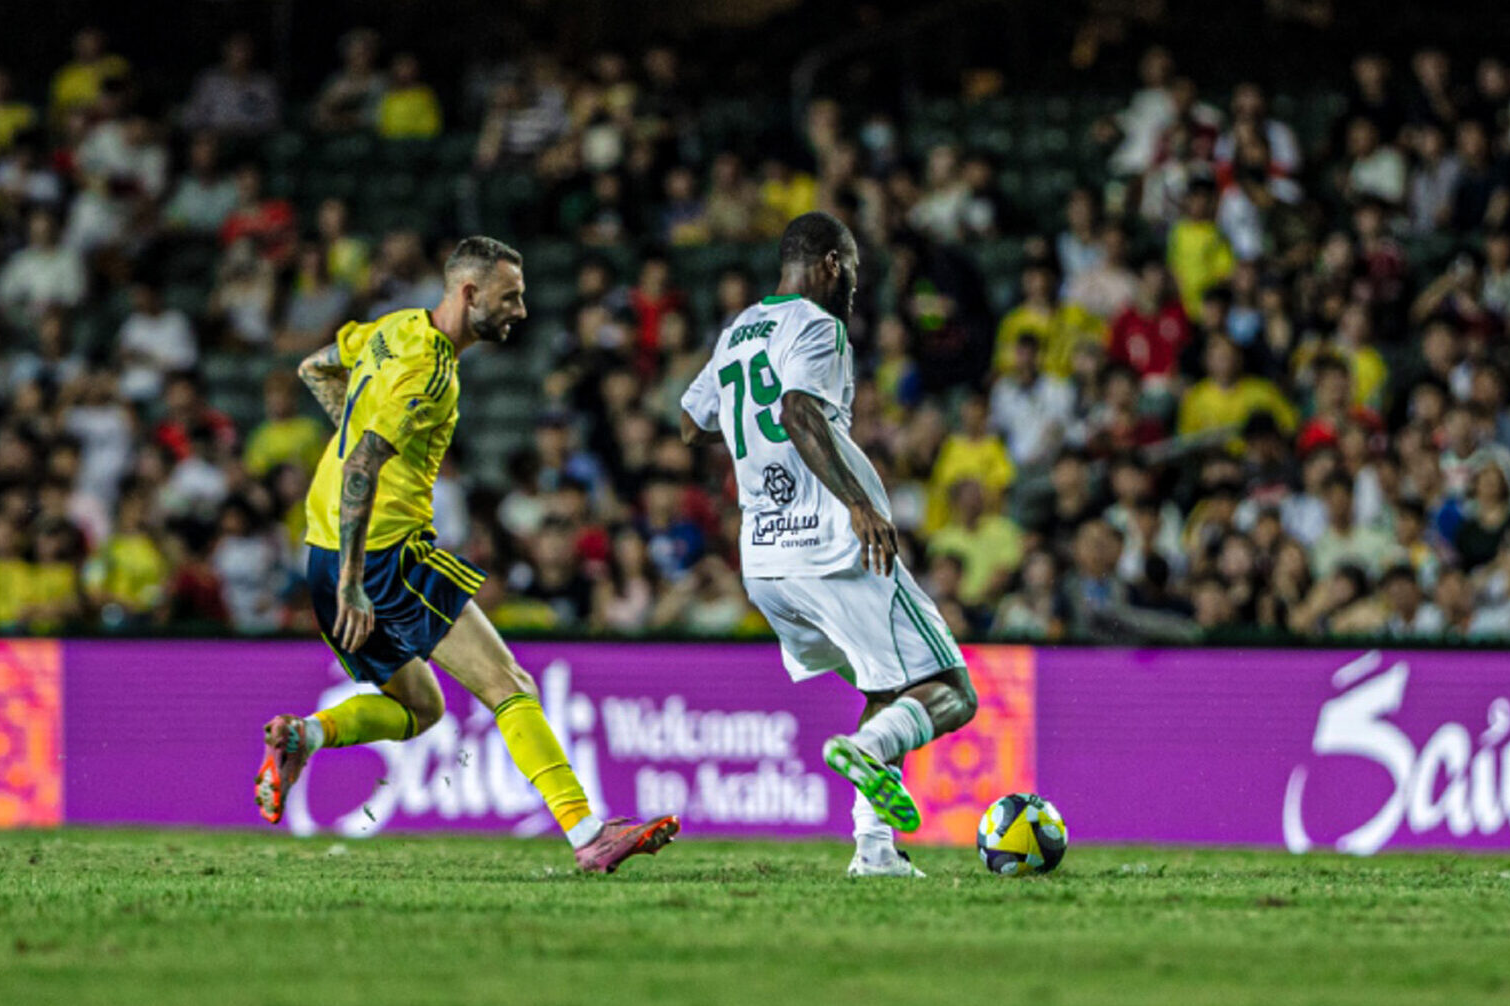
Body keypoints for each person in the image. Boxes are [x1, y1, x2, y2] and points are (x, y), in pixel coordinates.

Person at [258, 236, 679, 873]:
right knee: (509, 685)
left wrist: (352, 429)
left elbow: (315, 367)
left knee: (421, 708)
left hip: (322, 554)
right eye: (511, 297)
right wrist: (354, 580)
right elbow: (364, 466)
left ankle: (305, 736)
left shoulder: (394, 329)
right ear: (470, 293)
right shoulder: (428, 368)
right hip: (380, 556)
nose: (522, 310)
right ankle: (588, 833)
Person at [680, 211, 977, 879]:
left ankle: (874, 852)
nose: (855, 286)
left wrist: (746, 439)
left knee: (888, 689)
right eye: (855, 271)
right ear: (834, 264)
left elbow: (689, 423)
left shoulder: (738, 331)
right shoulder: (819, 326)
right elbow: (796, 411)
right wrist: (862, 504)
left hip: (764, 558)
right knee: (951, 690)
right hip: (831, 548)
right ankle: (868, 755)